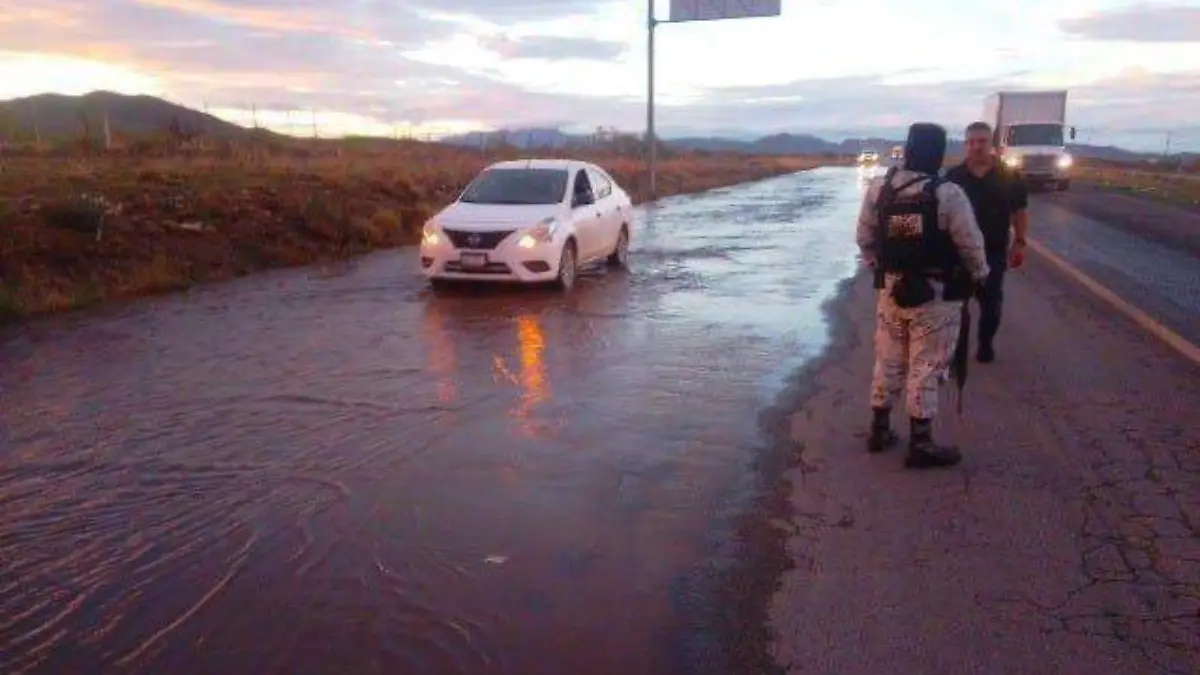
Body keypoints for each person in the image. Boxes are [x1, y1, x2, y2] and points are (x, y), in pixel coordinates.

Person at [856, 122, 990, 469]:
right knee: (927, 365)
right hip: (936, 296)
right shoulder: (948, 194)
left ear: (908, 148)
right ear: (939, 152)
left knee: (888, 359)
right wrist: (980, 276)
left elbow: (864, 237)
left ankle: (880, 429)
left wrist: (879, 268)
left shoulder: (879, 190)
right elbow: (971, 245)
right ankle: (921, 442)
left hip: (891, 290)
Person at [945, 121, 1030, 363]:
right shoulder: (953, 178)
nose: (976, 147)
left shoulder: (1008, 176)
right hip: (958, 255)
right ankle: (957, 356)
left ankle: (985, 344)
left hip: (993, 252)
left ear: (991, 144)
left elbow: (1019, 212)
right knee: (956, 310)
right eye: (971, 142)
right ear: (965, 145)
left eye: (982, 141)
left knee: (991, 306)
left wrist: (1020, 243)